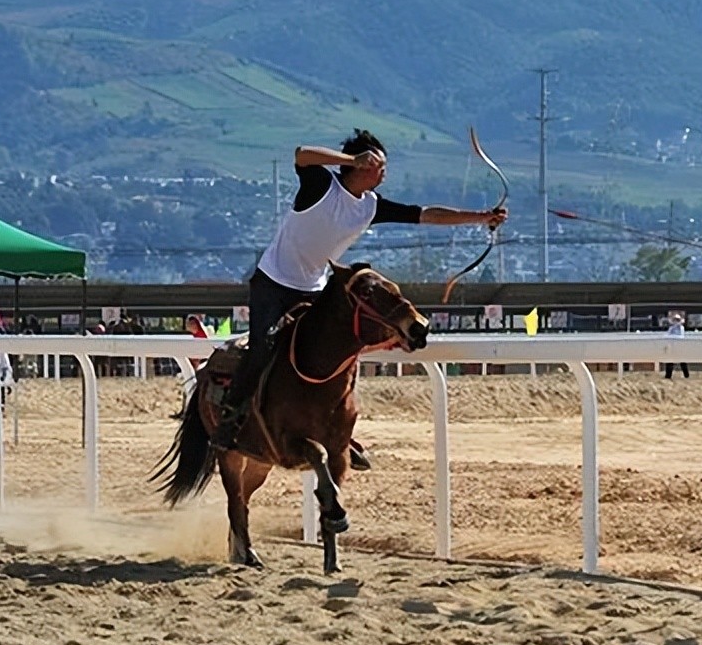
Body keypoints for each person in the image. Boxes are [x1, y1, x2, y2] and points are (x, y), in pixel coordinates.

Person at [209, 127, 508, 452]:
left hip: (314, 287)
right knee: (263, 348)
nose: (384, 173)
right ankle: (230, 419)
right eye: (379, 166)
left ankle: (336, 426)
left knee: (338, 350)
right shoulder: (322, 186)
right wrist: (351, 158)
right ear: (362, 166)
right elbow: (302, 155)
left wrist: (481, 217)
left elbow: (426, 214)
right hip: (273, 284)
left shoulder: (370, 206)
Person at [663, 312, 690, 380]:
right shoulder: (671, 328)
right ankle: (668, 376)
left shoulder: (681, 328)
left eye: (677, 320)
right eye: (675, 320)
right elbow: (667, 336)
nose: (676, 321)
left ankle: (686, 375)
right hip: (672, 347)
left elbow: (681, 336)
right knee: (669, 361)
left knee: (682, 361)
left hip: (680, 347)